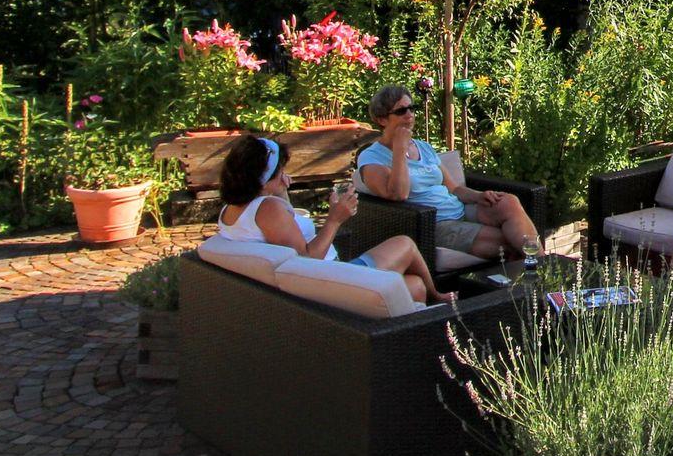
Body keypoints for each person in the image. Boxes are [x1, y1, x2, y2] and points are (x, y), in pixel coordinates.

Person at [215, 134, 451, 306]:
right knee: (406, 249)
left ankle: (433, 303)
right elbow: (304, 262)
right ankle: (438, 300)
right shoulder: (268, 208)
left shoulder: (233, 208)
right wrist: (335, 220)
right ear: (264, 179)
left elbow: (284, 231)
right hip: (331, 283)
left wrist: (280, 192)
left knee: (414, 285)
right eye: (280, 172)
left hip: (321, 280)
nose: (284, 175)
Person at [357, 84, 541, 261]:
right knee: (514, 241)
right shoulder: (372, 157)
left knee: (509, 202)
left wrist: (479, 196)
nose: (409, 115)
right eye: (401, 111)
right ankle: (542, 268)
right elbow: (398, 194)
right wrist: (399, 150)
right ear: (382, 119)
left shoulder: (423, 147)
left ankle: (543, 264)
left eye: (412, 108)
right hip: (433, 224)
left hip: (459, 210)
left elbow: (453, 188)